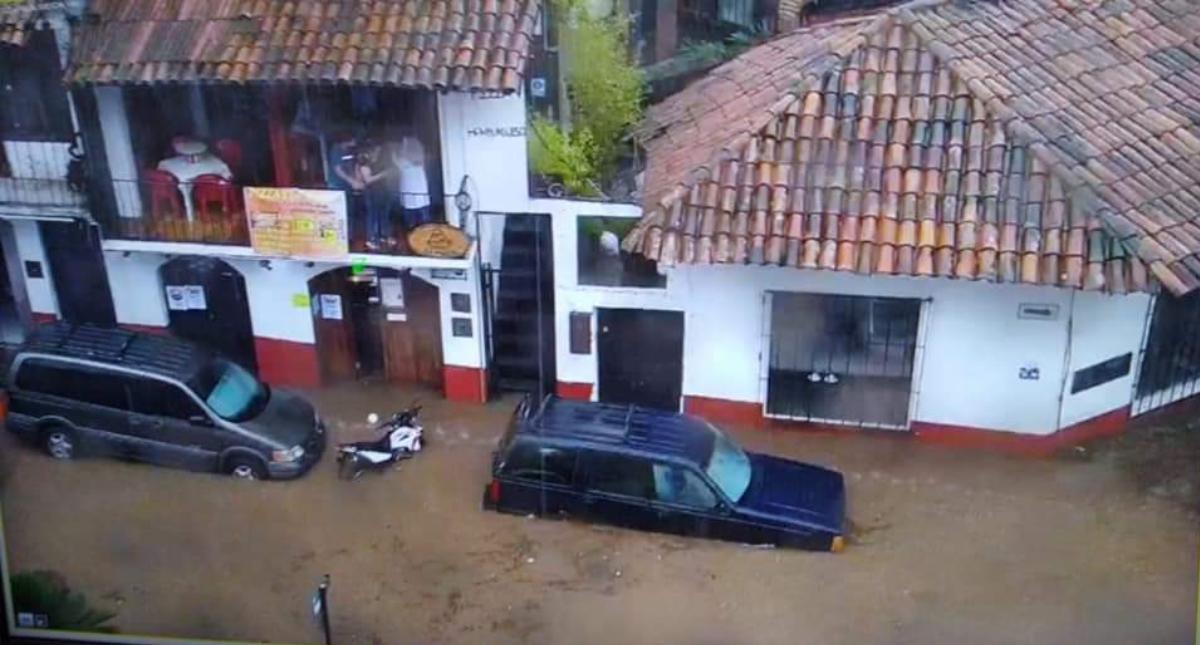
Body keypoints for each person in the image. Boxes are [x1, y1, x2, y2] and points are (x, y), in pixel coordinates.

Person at [390, 136, 432, 230]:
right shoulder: (412, 162)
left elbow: (394, 157)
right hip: (414, 193)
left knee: (417, 219)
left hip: (416, 193)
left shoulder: (410, 162)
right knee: (419, 219)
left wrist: (401, 146)